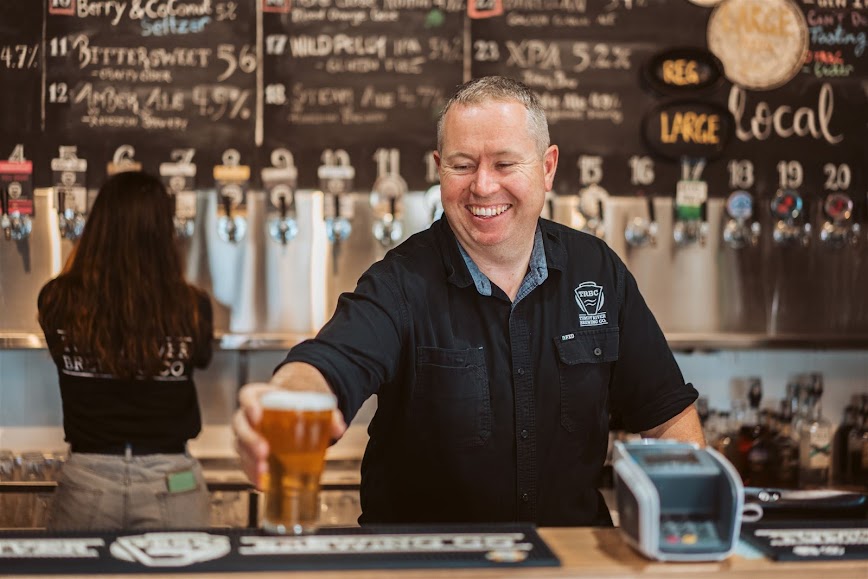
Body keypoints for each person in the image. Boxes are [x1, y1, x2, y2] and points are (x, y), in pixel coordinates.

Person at [233, 76, 704, 526]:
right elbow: (331, 363)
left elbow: (666, 418)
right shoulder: (400, 282)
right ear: (439, 167)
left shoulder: (597, 271)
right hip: (430, 568)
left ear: (547, 166)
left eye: (504, 163)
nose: (482, 186)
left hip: (567, 561)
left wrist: (691, 527)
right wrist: (284, 398)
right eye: (462, 165)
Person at [38, 170, 214, 531]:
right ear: (163, 231)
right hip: (172, 480)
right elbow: (202, 358)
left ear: (98, 224)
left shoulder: (56, 299)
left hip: (87, 480)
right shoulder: (192, 306)